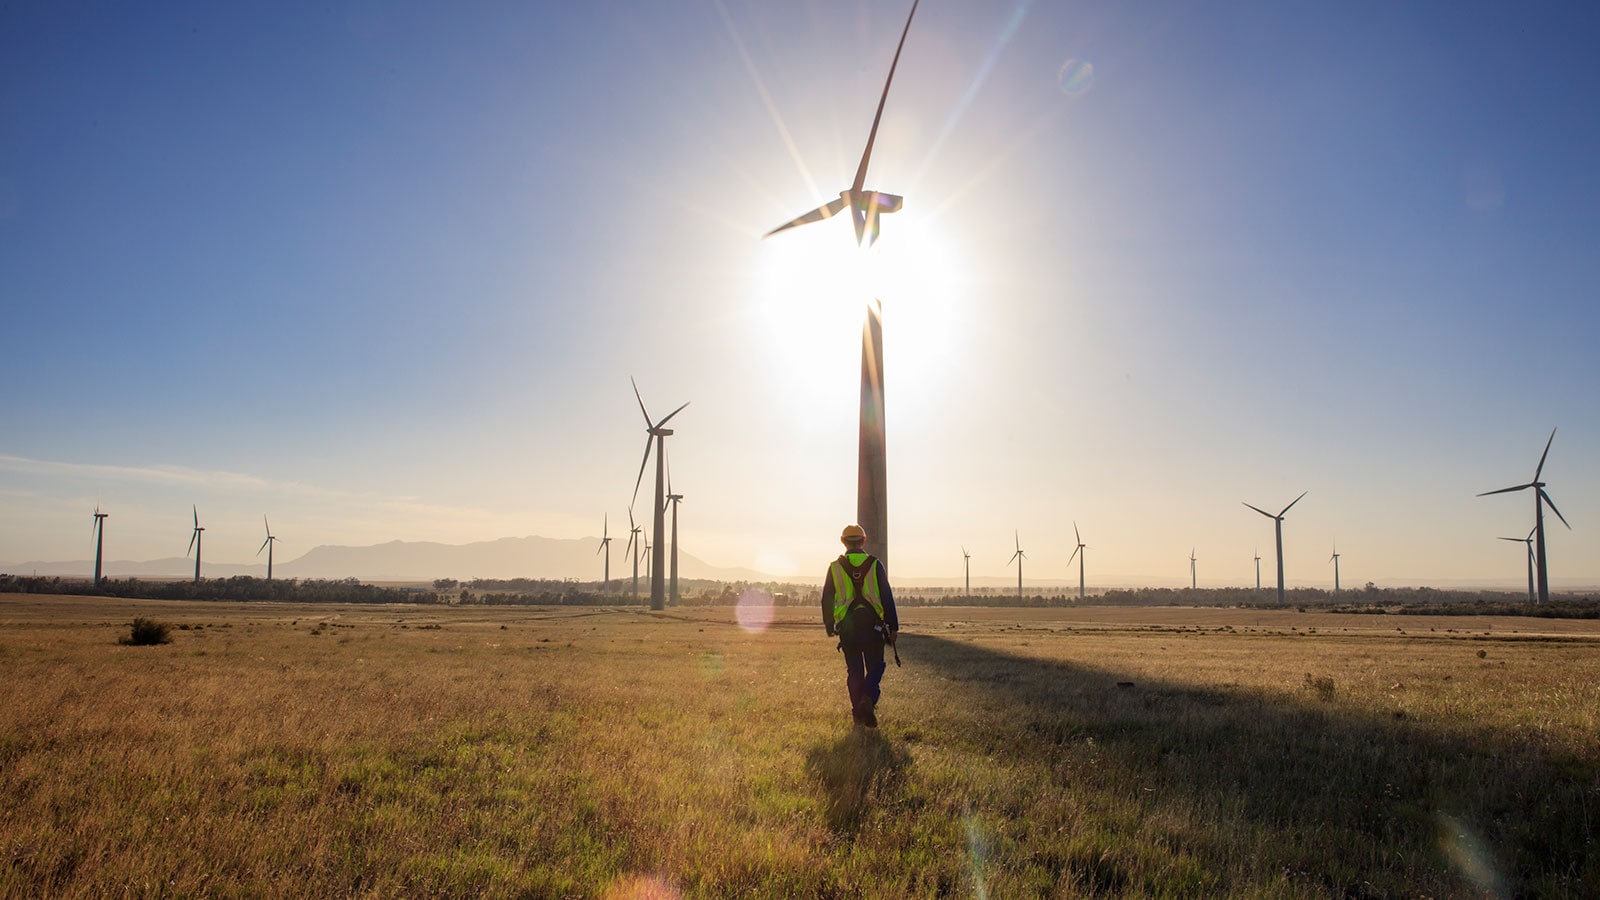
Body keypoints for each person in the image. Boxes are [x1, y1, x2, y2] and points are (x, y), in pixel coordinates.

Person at [821, 524, 898, 728]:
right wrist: (893, 626)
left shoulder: (834, 567)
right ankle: (868, 698)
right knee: (876, 666)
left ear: (842, 541)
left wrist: (830, 624)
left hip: (848, 627)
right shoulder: (875, 565)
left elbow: (827, 597)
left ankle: (857, 713)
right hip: (873, 626)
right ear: (863, 541)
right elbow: (886, 596)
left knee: (854, 671)